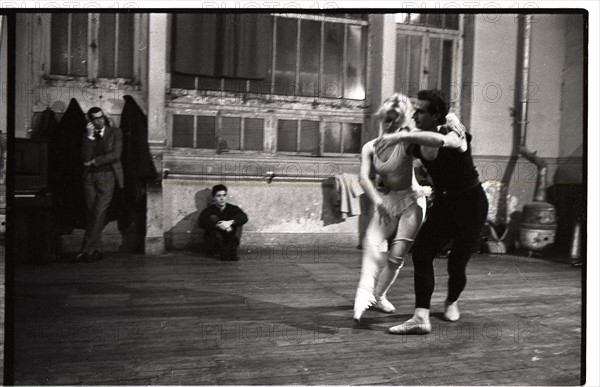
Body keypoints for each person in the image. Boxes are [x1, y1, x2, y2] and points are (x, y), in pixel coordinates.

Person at [375, 89, 488, 334]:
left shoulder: (454, 133)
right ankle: (420, 317)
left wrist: (400, 138)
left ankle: (452, 301)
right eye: (414, 110)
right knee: (423, 252)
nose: (415, 115)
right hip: (446, 204)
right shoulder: (417, 141)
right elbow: (397, 161)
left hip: (471, 204)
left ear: (436, 114)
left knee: (457, 264)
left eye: (422, 111)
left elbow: (443, 142)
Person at [353, 93, 428, 322]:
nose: (390, 124)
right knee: (371, 243)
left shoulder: (406, 140)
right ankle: (363, 295)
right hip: (386, 202)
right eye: (387, 119)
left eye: (396, 119)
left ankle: (380, 295)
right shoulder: (370, 147)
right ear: (381, 118)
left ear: (403, 121)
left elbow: (429, 139)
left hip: (412, 201)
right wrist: (378, 201)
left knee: (396, 256)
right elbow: (365, 179)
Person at [75, 107, 124, 263]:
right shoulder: (87, 135)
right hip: (89, 177)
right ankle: (96, 250)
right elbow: (84, 157)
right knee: (92, 214)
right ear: (91, 121)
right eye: (95, 119)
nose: (99, 120)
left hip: (107, 175)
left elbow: (116, 154)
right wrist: (89, 138)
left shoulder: (116, 132)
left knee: (98, 212)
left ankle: (86, 251)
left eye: (101, 117)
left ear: (104, 117)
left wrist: (95, 161)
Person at [198, 184, 248, 261]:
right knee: (212, 218)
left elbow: (244, 217)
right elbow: (201, 222)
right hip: (214, 242)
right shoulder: (208, 210)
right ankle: (224, 251)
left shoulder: (233, 208)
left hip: (230, 238)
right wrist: (218, 225)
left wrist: (230, 222)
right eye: (219, 196)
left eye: (224, 195)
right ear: (213, 198)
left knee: (238, 223)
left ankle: (232, 250)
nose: (222, 198)